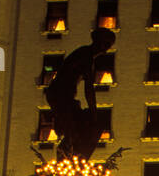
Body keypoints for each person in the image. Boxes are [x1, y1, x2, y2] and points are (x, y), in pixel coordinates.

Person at [43, 28, 117, 160]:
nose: (106, 49)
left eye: (109, 46)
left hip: (64, 97)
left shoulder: (87, 56)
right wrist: (94, 112)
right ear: (97, 41)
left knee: (81, 127)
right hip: (60, 96)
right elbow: (89, 89)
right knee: (78, 128)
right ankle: (68, 158)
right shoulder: (85, 56)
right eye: (105, 44)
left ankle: (73, 157)